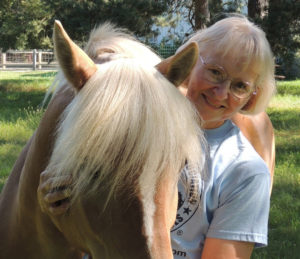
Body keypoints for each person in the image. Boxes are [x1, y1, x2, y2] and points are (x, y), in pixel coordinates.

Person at [38, 15, 275, 259]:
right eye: (215, 72)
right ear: (190, 62)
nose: (221, 92)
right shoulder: (136, 122)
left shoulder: (247, 173)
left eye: (240, 86)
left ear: (252, 97)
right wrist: (57, 199)